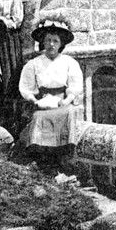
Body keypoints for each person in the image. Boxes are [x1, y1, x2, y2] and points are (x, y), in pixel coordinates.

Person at [16, 19, 84, 159]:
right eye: (48, 40)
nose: (51, 44)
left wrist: (67, 100)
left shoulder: (69, 62)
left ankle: (62, 154)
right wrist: (34, 100)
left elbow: (75, 85)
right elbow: (26, 87)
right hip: (42, 103)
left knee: (68, 113)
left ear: (61, 44)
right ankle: (40, 156)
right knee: (38, 117)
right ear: (43, 42)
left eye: (55, 41)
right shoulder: (34, 64)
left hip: (61, 103)